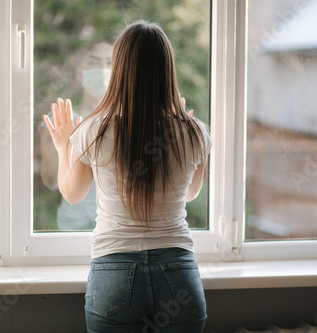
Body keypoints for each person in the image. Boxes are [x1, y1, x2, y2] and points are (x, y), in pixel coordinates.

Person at [44, 20, 211, 333]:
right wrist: (183, 131)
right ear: (167, 70)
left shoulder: (95, 129)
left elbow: (72, 193)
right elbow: (190, 193)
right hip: (178, 275)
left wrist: (64, 145)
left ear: (120, 71)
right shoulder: (196, 133)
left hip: (115, 273)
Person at [39, 42, 113, 230]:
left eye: (110, 63)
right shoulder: (62, 121)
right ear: (80, 71)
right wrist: (62, 146)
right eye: (93, 62)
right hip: (72, 231)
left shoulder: (129, 124)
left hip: (115, 233)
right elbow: (50, 182)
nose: (103, 69)